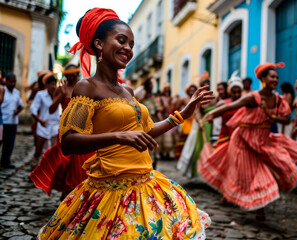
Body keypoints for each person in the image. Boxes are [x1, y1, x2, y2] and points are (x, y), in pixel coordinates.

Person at [37, 8, 212, 239]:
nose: (128, 48)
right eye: (121, 40)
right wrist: (119, 136)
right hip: (110, 191)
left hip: (145, 183)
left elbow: (146, 131)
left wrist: (183, 113)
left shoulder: (128, 90)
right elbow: (68, 142)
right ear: (99, 44)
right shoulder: (87, 87)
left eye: (131, 43)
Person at [203, 62, 297, 220]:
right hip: (243, 140)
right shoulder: (253, 97)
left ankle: (259, 205)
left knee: (270, 168)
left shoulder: (279, 100)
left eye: (277, 77)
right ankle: (257, 207)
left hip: (264, 140)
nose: (275, 79)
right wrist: (212, 114)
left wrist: (270, 114)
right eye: (272, 76)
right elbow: (231, 106)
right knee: (250, 173)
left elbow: (286, 120)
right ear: (263, 78)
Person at [30, 65, 93, 199]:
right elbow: (52, 109)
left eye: (73, 75)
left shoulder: (85, 87)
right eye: (68, 75)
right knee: (64, 160)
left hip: (81, 129)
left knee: (80, 161)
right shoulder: (61, 88)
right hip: (66, 130)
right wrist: (61, 94)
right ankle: (68, 189)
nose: (70, 77)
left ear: (77, 74)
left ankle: (75, 190)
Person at [198, 77, 242, 205]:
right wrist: (210, 118)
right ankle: (226, 194)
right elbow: (213, 116)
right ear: (230, 91)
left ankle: (235, 194)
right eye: (234, 92)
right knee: (226, 167)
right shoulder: (223, 104)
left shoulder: (244, 103)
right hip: (225, 138)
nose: (237, 95)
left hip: (239, 139)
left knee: (238, 168)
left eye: (239, 92)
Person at [177, 72, 216, 178]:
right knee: (198, 148)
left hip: (213, 125)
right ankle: (198, 172)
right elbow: (197, 111)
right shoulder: (199, 97)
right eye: (203, 83)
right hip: (201, 125)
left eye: (207, 83)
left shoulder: (214, 96)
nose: (205, 85)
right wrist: (200, 122)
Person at [30, 72, 60, 170]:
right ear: (46, 85)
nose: (53, 86)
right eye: (51, 84)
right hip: (43, 126)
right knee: (38, 151)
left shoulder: (58, 94)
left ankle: (50, 172)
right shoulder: (40, 95)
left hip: (55, 127)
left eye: (55, 84)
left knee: (53, 152)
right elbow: (33, 109)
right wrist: (39, 120)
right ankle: (33, 169)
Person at [1, 73, 24, 169]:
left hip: (13, 122)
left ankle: (5, 162)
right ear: (6, 81)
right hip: (3, 122)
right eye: (10, 81)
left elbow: (21, 105)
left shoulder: (16, 93)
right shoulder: (2, 91)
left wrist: (17, 111)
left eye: (14, 81)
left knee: (9, 144)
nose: (12, 83)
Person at [174, 84, 197, 159]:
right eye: (190, 90)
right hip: (186, 122)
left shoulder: (198, 99)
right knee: (183, 141)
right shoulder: (183, 99)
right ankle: (181, 157)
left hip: (194, 121)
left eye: (193, 90)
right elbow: (176, 108)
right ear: (187, 91)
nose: (192, 92)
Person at [155, 83, 176, 160]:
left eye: (168, 88)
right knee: (164, 140)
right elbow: (158, 111)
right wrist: (161, 120)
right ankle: (162, 154)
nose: (167, 90)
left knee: (172, 140)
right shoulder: (160, 99)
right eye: (165, 88)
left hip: (171, 119)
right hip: (164, 119)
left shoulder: (172, 98)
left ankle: (167, 154)